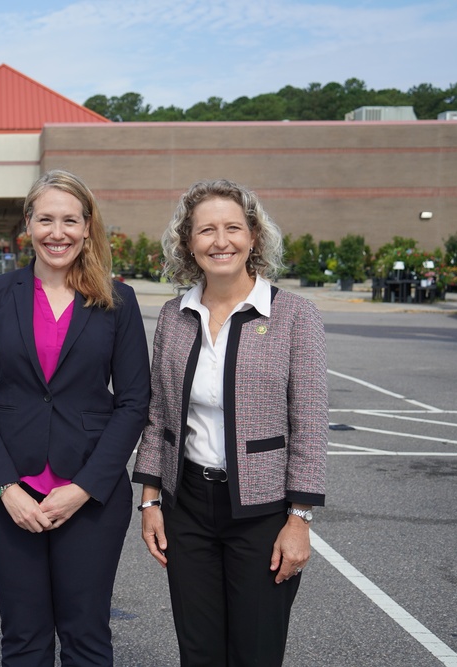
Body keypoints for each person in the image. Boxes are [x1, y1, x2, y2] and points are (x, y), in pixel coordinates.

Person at [0, 170, 150, 666]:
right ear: (28, 224)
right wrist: (6, 488)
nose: (57, 232)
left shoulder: (117, 300)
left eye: (69, 220)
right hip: (10, 496)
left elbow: (134, 401)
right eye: (46, 219)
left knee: (86, 634)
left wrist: (84, 487)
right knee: (24, 635)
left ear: (88, 227)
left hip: (90, 495)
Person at [133, 179, 328, 666]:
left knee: (255, 652)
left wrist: (299, 520)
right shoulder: (174, 316)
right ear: (188, 243)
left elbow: (309, 425)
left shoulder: (293, 315)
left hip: (263, 513)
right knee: (198, 651)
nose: (220, 241)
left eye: (233, 228)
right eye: (206, 231)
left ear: (254, 237)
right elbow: (159, 416)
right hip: (189, 507)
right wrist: (150, 502)